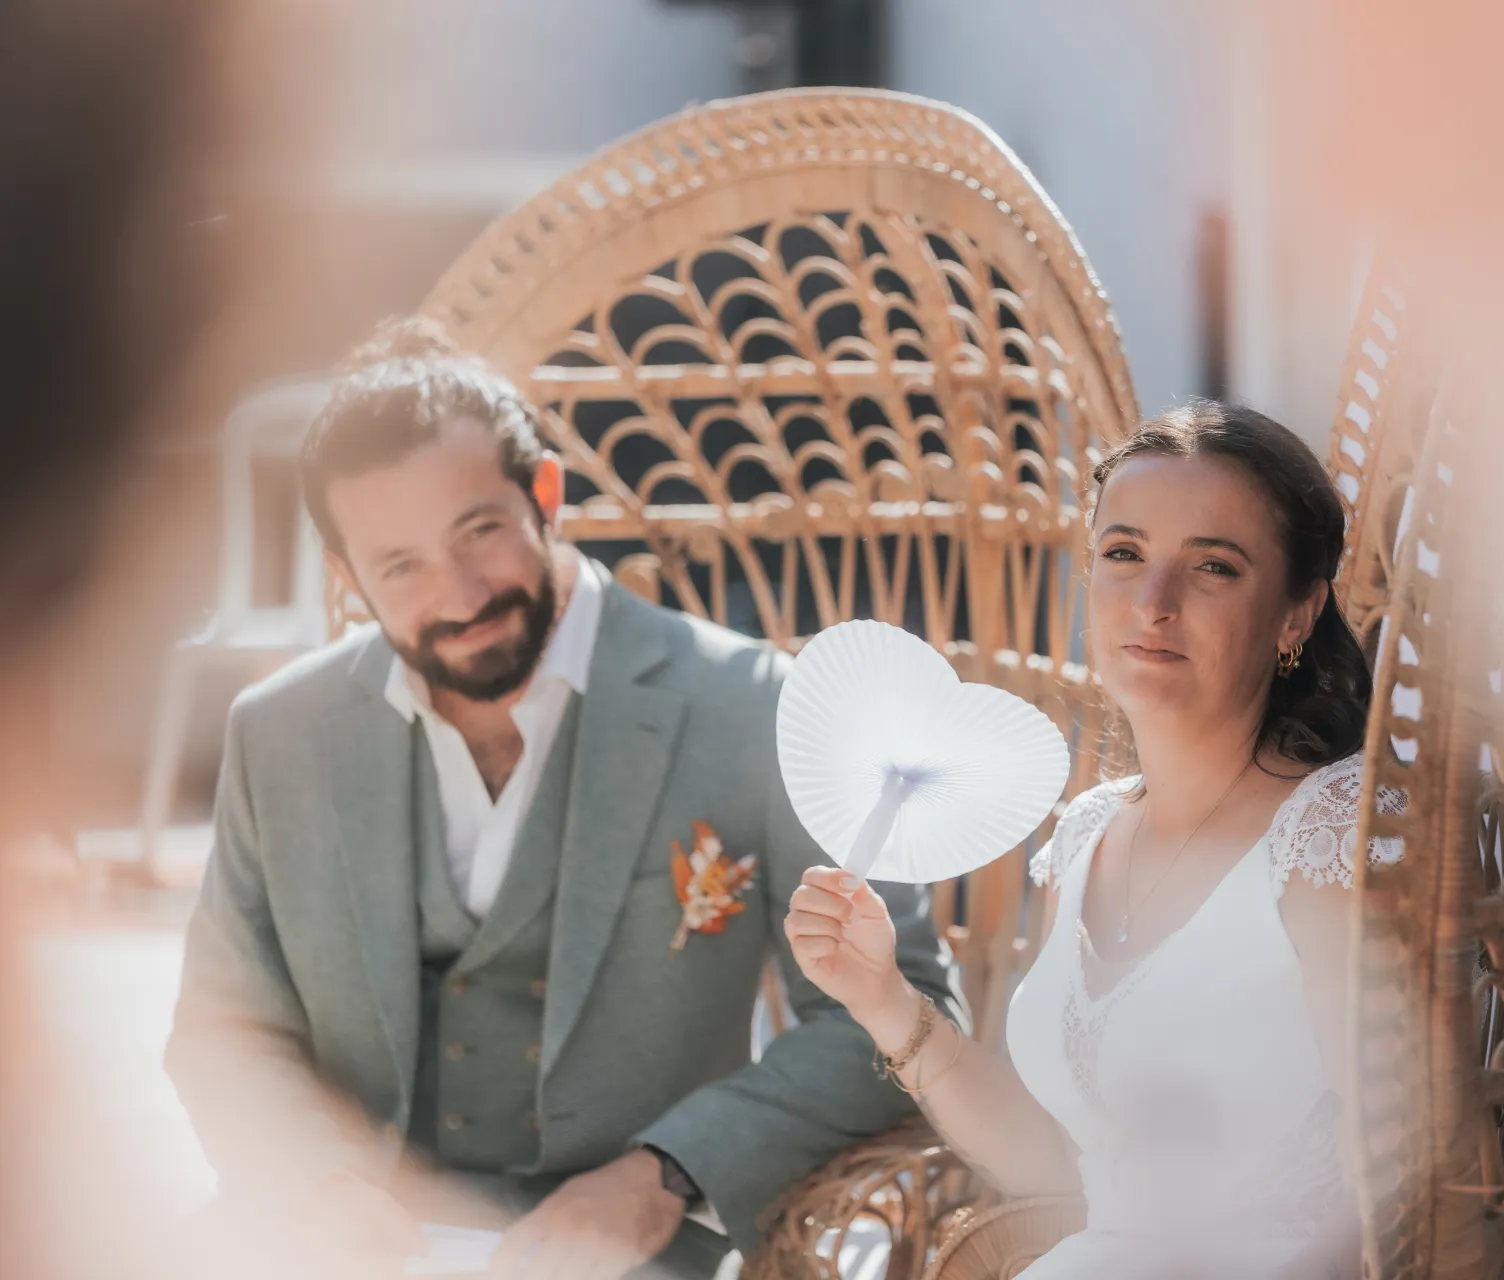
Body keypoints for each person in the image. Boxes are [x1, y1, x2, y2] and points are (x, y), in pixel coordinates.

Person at [166, 318, 961, 1280]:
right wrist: (318, 1189)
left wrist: (667, 1173)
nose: (459, 596)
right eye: (400, 566)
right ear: (347, 577)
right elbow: (223, 1027)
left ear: (545, 492)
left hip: (636, 1253)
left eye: (480, 531)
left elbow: (902, 1013)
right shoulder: (277, 733)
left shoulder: (761, 709)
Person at [786, 399, 1389, 1278]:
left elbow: (1418, 1186)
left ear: (1296, 614)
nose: (1153, 602)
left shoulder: (1331, 841)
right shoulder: (1085, 836)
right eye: (1123, 555)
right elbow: (1067, 1168)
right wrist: (881, 997)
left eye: (1213, 567)